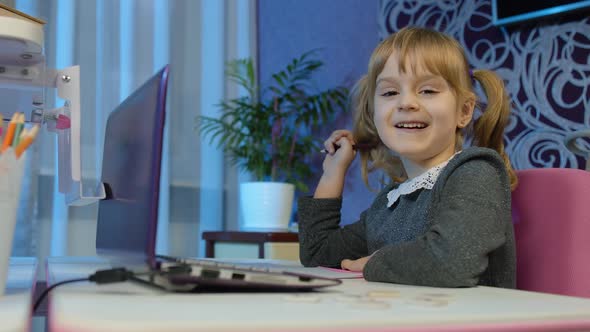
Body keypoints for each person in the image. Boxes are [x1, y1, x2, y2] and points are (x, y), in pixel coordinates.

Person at [297, 26, 518, 288]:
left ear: (464, 111)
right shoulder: (390, 203)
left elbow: (452, 262)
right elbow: (318, 254)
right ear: (374, 113)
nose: (406, 103)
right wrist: (333, 173)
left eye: (427, 91)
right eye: (390, 93)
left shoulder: (476, 172)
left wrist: (374, 262)